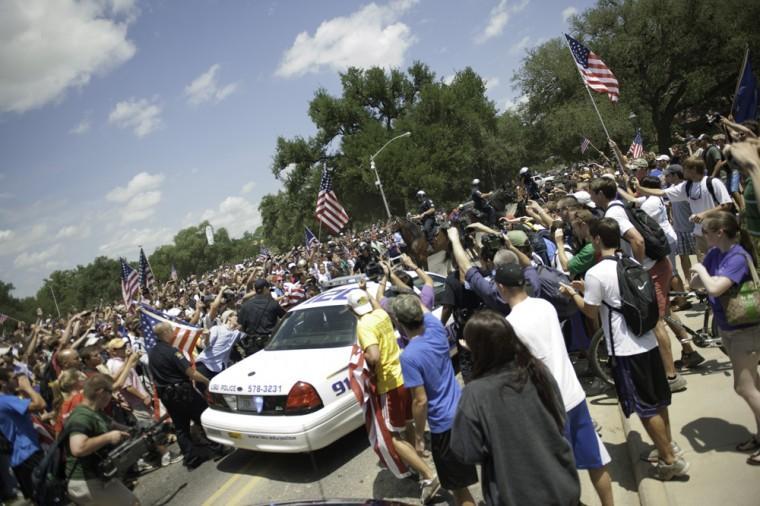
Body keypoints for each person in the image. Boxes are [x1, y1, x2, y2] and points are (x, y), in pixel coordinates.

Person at [561, 218, 689, 480]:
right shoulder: (631, 262)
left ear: (597, 239)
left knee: (645, 407)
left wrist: (574, 294)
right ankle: (667, 444)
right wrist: (590, 291)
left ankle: (669, 460)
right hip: (648, 341)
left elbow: (590, 311)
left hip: (625, 349)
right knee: (658, 399)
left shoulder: (595, 273)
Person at [496, 264, 613, 506]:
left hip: (547, 406)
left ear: (501, 288)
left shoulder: (510, 325)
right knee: (595, 459)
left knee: (556, 473)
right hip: (574, 394)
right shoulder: (545, 306)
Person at [449, 311, 580, 505]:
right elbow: (560, 418)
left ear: (478, 350)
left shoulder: (475, 394)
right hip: (563, 486)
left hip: (517, 495)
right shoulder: (538, 371)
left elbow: (467, 452)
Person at [590, 177, 687, 392]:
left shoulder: (613, 213)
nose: (590, 197)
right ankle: (689, 349)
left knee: (656, 322)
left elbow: (637, 240)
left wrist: (637, 268)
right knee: (664, 312)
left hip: (651, 268)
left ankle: (671, 377)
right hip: (658, 265)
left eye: (592, 193)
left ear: (601, 194)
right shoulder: (620, 205)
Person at [345, 285, 439, 503]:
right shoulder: (379, 314)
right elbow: (377, 304)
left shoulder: (363, 324)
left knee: (391, 437)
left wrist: (361, 357)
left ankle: (428, 475)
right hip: (403, 376)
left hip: (389, 384)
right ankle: (419, 466)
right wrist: (366, 292)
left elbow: (374, 356)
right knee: (406, 424)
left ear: (351, 310)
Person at [688, 212, 760, 465]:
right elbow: (695, 285)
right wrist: (702, 275)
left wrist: (700, 271)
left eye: (706, 231)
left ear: (720, 232)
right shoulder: (716, 254)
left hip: (746, 331)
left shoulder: (738, 256)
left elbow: (715, 288)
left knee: (744, 387)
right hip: (727, 327)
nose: (702, 235)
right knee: (754, 385)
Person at [392, 295, 477, 506]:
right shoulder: (436, 329)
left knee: (460, 489)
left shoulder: (409, 356)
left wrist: (419, 437)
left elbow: (420, 401)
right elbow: (422, 306)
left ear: (399, 323)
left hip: (444, 426)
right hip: (463, 412)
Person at [148, 322, 226, 469]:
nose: (174, 333)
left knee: (181, 428)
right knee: (204, 418)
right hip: (184, 394)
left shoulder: (151, 353)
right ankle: (218, 449)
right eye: (171, 330)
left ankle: (190, 458)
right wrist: (206, 380)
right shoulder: (172, 352)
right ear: (165, 333)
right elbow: (190, 373)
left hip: (168, 396)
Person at [634, 157, 734, 259]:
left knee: (724, 261)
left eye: (685, 168)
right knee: (705, 265)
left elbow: (727, 204)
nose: (683, 171)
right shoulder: (686, 186)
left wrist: (704, 214)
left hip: (717, 232)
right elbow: (662, 192)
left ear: (694, 169)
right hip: (700, 233)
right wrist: (640, 188)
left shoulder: (713, 182)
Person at [64, 373, 137, 506]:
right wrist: (108, 437)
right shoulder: (81, 416)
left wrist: (135, 432)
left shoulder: (95, 411)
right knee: (132, 503)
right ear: (101, 392)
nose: (111, 397)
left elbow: (113, 424)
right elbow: (78, 448)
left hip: (95, 476)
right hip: (85, 480)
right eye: (111, 393)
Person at [0, 367, 45, 502]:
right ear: (2, 382)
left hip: (19, 457)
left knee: (37, 496)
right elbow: (40, 404)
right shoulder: (5, 400)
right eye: (14, 378)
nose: (18, 381)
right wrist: (28, 388)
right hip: (28, 452)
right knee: (46, 493)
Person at [237, 278, 286, 355]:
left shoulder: (246, 306)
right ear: (265, 288)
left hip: (252, 346)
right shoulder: (273, 303)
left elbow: (240, 327)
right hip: (271, 343)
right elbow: (285, 319)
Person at [196, 309, 244, 381]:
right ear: (229, 317)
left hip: (219, 369)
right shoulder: (217, 329)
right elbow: (205, 346)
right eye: (236, 316)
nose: (238, 318)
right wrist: (207, 336)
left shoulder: (237, 333)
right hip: (205, 364)